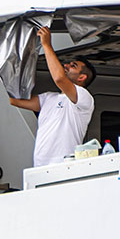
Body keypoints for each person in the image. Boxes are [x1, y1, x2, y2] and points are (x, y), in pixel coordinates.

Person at [8, 27, 98, 168]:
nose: (66, 65)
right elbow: (14, 100)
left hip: (65, 166)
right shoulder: (49, 98)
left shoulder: (85, 97)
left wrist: (46, 45)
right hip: (39, 166)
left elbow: (59, 79)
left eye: (73, 65)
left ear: (82, 77)